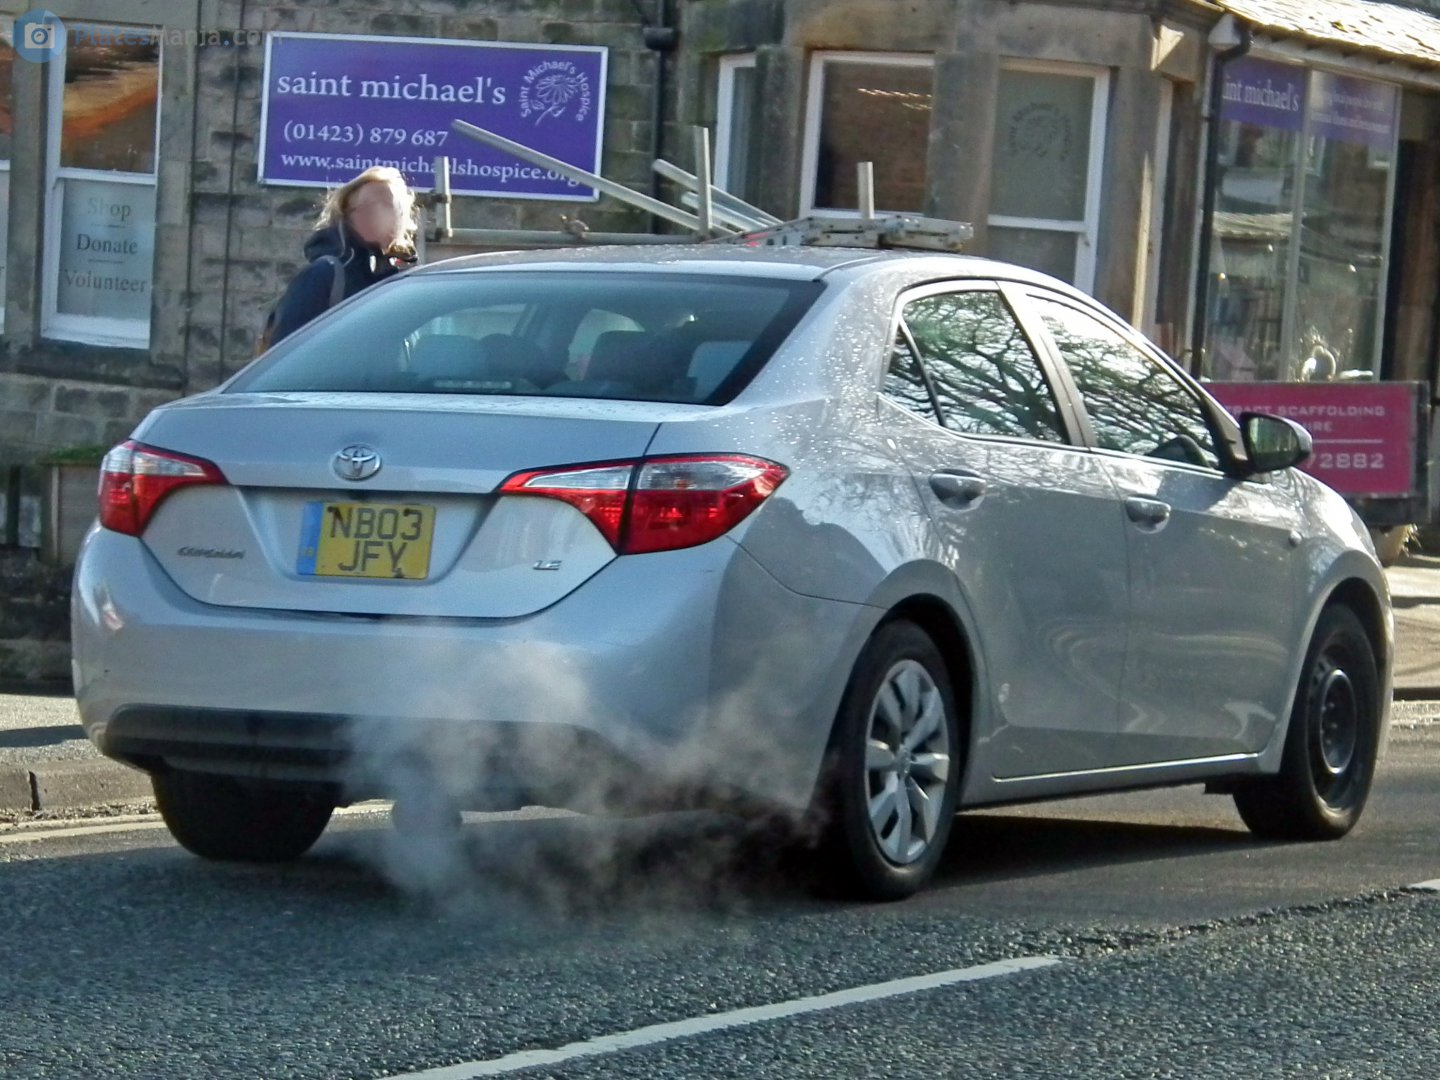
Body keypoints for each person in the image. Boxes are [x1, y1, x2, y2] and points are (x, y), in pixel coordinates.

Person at [265, 166, 418, 346]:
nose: (383, 214)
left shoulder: (403, 281)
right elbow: (286, 356)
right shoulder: (324, 276)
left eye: (394, 207)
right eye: (372, 207)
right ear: (348, 216)